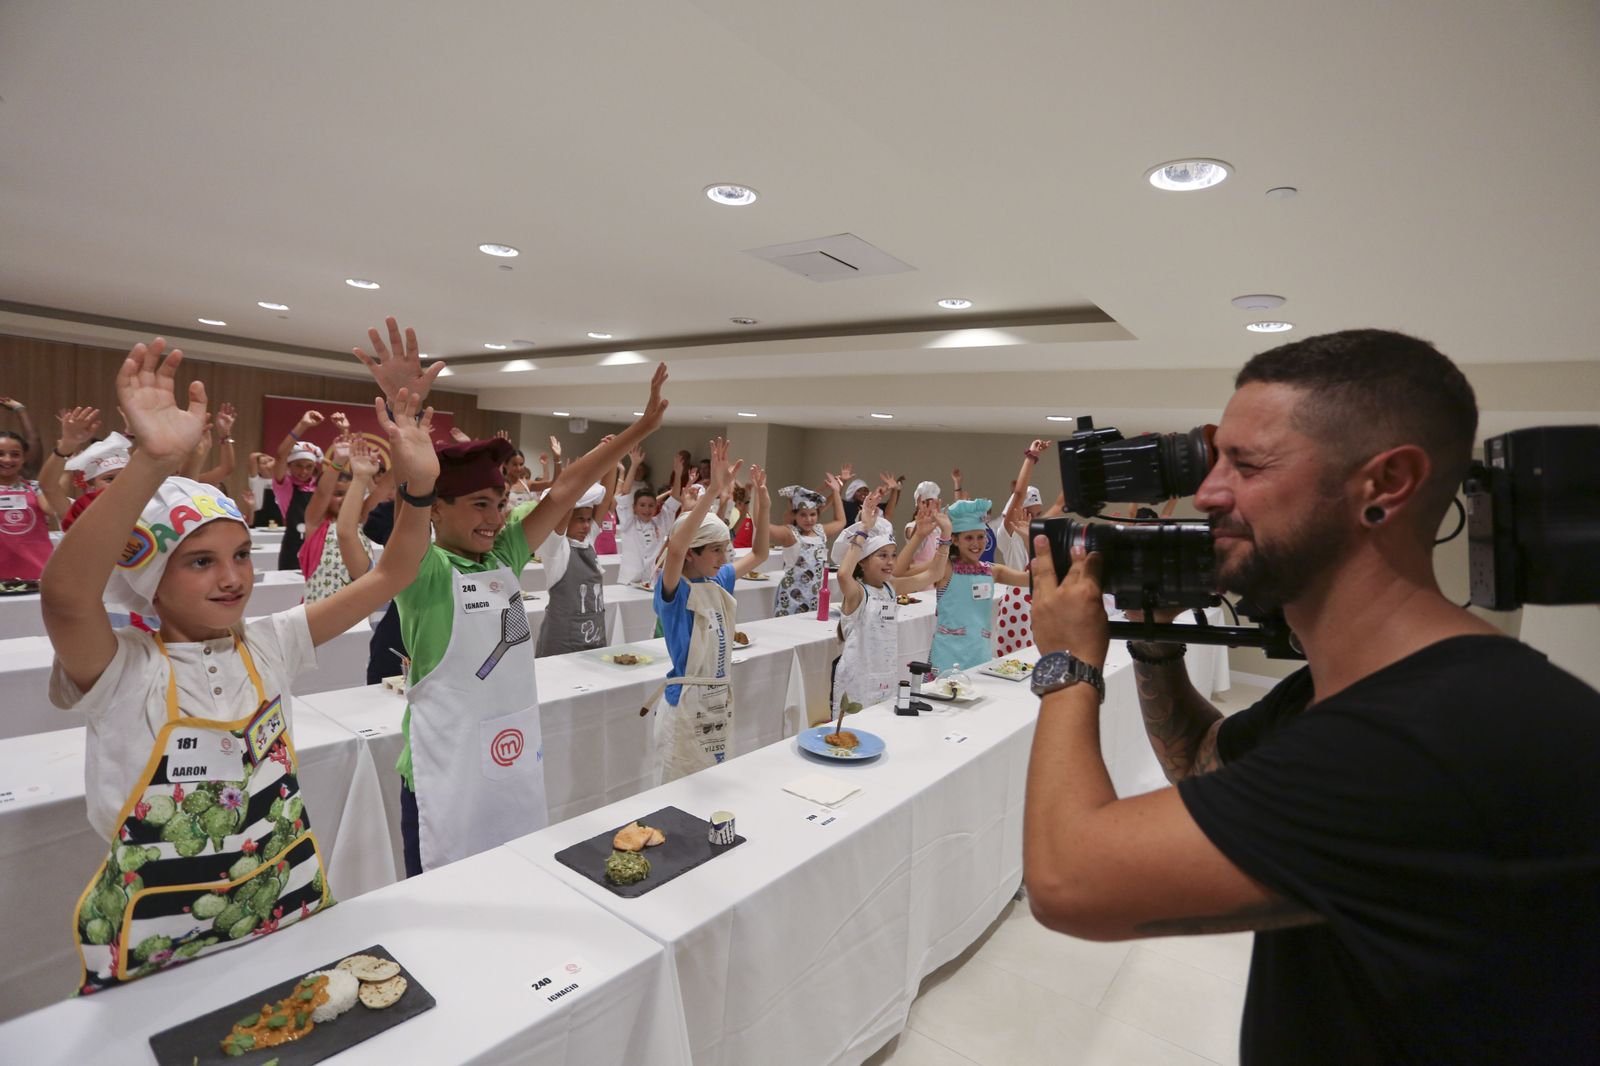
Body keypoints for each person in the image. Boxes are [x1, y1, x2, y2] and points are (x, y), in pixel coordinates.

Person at [1019, 329, 1600, 1064]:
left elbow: (1069, 880)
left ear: (1385, 484)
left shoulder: (1439, 735)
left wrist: (1069, 660)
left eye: (1247, 464)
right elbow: (1200, 763)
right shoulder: (1350, 694)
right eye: (1214, 458)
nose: (1207, 493)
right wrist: (1154, 641)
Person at [41, 331, 439, 992]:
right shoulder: (124, 669)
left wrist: (420, 487)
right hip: (158, 939)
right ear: (152, 581)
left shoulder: (270, 643)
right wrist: (152, 462)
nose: (232, 578)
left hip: (281, 903)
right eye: (201, 561)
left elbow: (396, 569)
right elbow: (65, 599)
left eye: (241, 556)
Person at [391, 357, 670, 875]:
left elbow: (565, 488)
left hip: (509, 753)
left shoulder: (505, 555)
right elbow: (407, 521)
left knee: (513, 876)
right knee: (450, 898)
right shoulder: (423, 570)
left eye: (499, 503)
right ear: (437, 508)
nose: (496, 518)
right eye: (479, 504)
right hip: (443, 767)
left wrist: (640, 429)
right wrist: (407, 438)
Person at [649, 439, 770, 782]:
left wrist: (764, 503)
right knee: (677, 791)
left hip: (717, 703)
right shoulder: (675, 590)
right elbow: (674, 550)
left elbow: (760, 554)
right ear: (691, 552)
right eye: (715, 550)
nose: (723, 558)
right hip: (684, 704)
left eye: (725, 550)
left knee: (713, 786)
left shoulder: (718, 582)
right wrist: (713, 492)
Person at [831, 490, 949, 712]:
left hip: (884, 677)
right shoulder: (857, 592)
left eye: (893, 555)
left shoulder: (890, 588)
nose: (890, 562)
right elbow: (842, 574)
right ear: (862, 562)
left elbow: (934, 574)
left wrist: (945, 535)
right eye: (882, 555)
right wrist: (864, 528)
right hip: (856, 681)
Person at [918, 497, 1029, 673]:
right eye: (969, 538)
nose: (976, 543)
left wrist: (1028, 540)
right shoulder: (945, 568)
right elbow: (901, 574)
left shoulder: (993, 571)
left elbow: (1033, 578)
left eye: (980, 537)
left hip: (980, 657)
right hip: (947, 659)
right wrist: (920, 536)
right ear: (955, 540)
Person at [534, 473, 617, 656]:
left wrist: (612, 459)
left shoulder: (588, 543)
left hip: (593, 637)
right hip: (562, 643)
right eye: (580, 520)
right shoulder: (556, 549)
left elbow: (606, 500)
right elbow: (563, 510)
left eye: (589, 520)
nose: (587, 526)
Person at [991, 440, 1052, 657]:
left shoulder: (1042, 539)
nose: (1035, 519)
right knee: (1014, 664)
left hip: (1042, 604)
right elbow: (1018, 494)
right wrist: (1031, 458)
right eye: (1029, 513)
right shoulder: (1008, 535)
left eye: (1038, 513)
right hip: (1018, 604)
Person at [769, 476, 847, 616]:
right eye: (803, 515)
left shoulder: (820, 532)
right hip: (791, 598)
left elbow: (841, 521)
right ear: (795, 516)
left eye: (812, 514)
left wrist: (836, 491)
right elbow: (764, 526)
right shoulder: (791, 534)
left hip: (814, 598)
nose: (808, 519)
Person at [267, 412, 326, 570]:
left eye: (309, 466)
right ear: (289, 466)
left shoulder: (320, 486)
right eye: (298, 465)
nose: (303, 471)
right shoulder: (284, 486)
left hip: (321, 547)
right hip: (293, 549)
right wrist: (302, 425)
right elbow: (281, 455)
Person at [615, 448, 681, 586]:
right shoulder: (629, 522)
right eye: (642, 505)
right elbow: (625, 495)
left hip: (652, 581)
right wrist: (633, 466)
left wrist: (678, 474)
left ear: (656, 506)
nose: (647, 509)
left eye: (651, 505)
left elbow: (673, 501)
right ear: (634, 507)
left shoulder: (660, 523)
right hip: (629, 581)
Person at [0, 424, 55, 580]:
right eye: (0, 454)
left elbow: (51, 509)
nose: (7, 459)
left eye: (15, 454)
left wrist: (63, 470)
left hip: (37, 571)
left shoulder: (35, 487)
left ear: (24, 458)